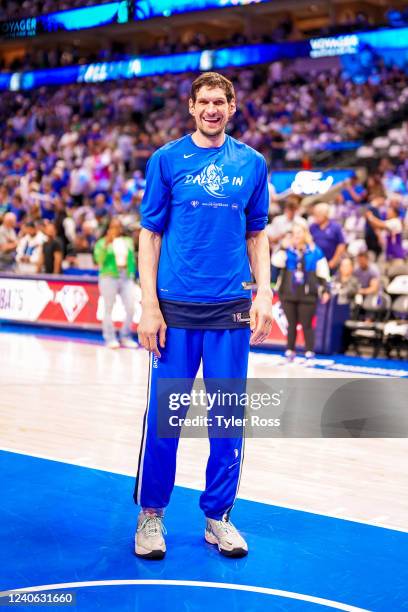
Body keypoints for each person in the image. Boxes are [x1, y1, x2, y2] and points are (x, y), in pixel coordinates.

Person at [134, 72, 272, 560]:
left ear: (232, 108)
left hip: (231, 311)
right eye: (204, 101)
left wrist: (265, 293)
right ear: (192, 107)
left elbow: (257, 233)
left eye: (221, 101)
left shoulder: (252, 164)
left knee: (227, 421)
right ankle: (151, 515)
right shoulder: (166, 160)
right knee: (166, 421)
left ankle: (218, 517)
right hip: (174, 311)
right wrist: (150, 306)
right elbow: (149, 236)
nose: (212, 109)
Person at [272, 224, 330, 361]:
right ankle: (290, 350)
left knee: (307, 324)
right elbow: (275, 264)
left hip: (308, 294)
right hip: (288, 292)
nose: (296, 236)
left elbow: (324, 272)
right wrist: (282, 247)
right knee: (290, 324)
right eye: (293, 233)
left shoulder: (315, 251)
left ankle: (309, 351)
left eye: (299, 233)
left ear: (305, 234)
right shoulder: (286, 251)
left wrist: (326, 290)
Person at [93, 218, 138, 349]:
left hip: (126, 276)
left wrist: (132, 274)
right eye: (113, 226)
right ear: (108, 228)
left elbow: (132, 259)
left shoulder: (128, 241)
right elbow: (98, 259)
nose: (116, 229)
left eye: (118, 226)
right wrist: (107, 243)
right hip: (109, 276)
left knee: (131, 307)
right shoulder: (102, 242)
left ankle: (125, 336)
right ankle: (110, 337)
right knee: (108, 308)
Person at [310, 203, 346, 272]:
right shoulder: (312, 227)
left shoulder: (335, 227)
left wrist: (334, 260)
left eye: (318, 214)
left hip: (331, 262)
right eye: (314, 214)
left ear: (325, 214)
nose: (315, 217)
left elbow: (341, 244)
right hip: (316, 263)